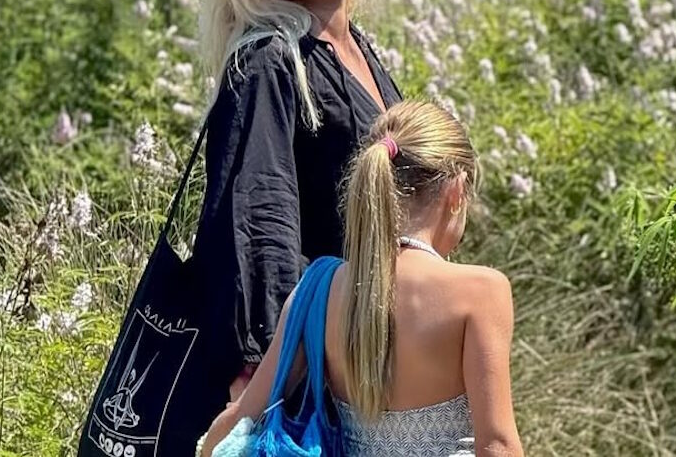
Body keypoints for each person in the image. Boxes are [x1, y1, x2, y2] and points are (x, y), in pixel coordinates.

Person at [192, 0, 404, 406]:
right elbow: (259, 232)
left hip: (375, 371)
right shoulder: (267, 63)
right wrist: (270, 395)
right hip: (323, 388)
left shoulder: (352, 46)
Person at [200, 100, 524, 457]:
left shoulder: (319, 289)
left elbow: (241, 418)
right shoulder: (480, 292)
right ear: (457, 191)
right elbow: (498, 445)